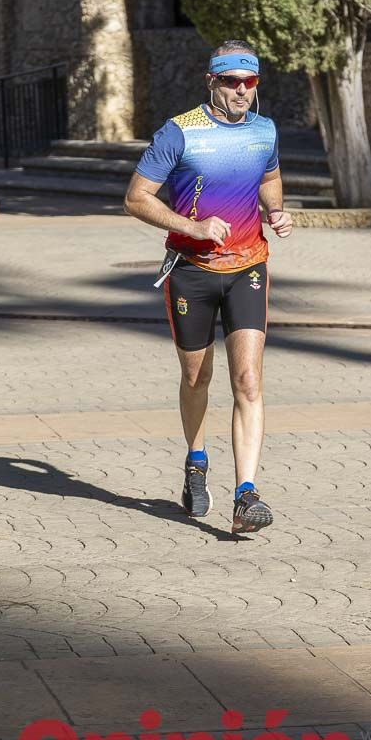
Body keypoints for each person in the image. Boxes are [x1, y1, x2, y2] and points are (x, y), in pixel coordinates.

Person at [124, 40, 293, 534]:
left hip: (248, 267)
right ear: (211, 83)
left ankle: (246, 494)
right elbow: (136, 198)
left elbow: (270, 176)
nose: (241, 90)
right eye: (231, 81)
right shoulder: (179, 133)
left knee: (248, 382)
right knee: (198, 378)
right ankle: (196, 460)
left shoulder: (265, 131)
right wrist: (192, 227)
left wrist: (275, 211)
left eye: (250, 81)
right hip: (192, 271)